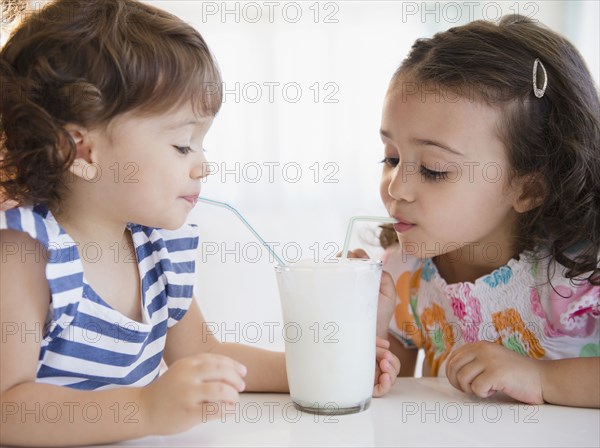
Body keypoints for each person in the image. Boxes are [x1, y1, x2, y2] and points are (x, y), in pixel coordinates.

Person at [0, 1, 400, 446]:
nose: (202, 167)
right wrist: (146, 408)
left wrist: (319, 374)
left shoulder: (157, 253)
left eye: (202, 145)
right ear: (83, 151)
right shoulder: (27, 255)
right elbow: (7, 406)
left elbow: (204, 354)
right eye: (182, 145)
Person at [366, 14, 599, 408]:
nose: (397, 187)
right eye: (391, 158)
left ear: (529, 188)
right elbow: (385, 395)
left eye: (433, 169)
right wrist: (362, 323)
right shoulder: (403, 276)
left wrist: (539, 378)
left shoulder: (574, 276)